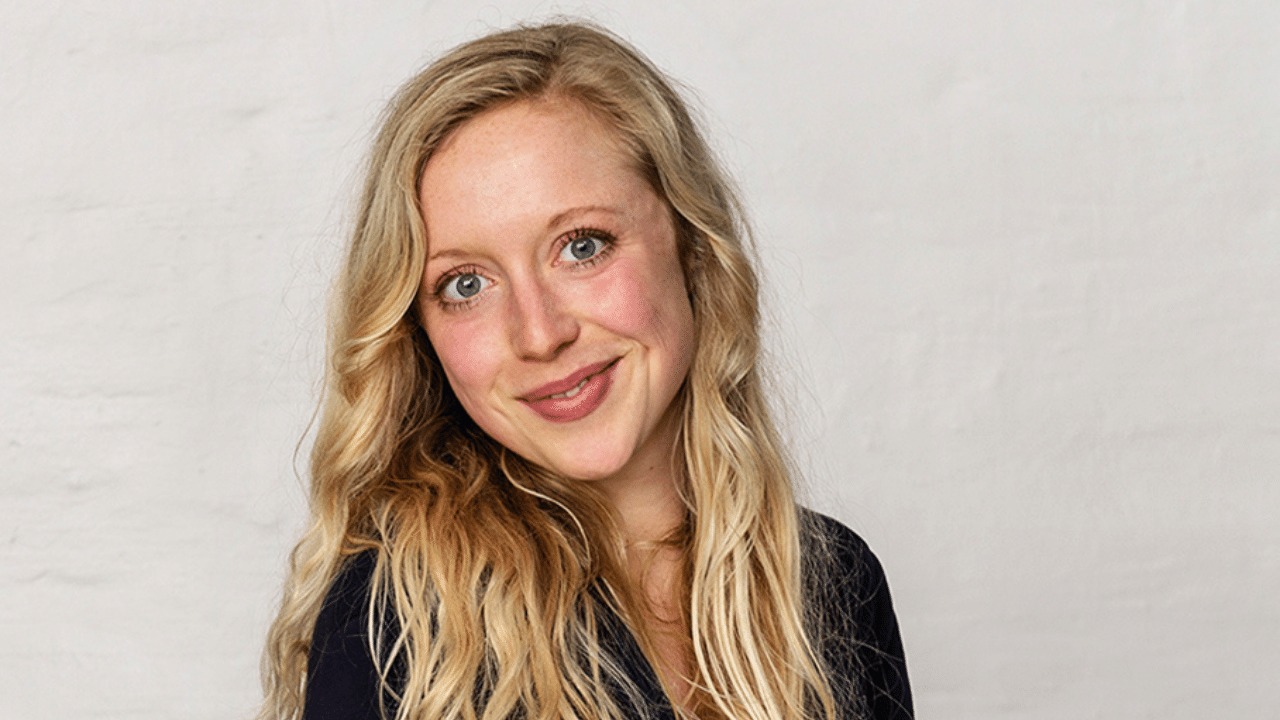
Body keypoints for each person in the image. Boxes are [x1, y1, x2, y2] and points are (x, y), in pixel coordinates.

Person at [259, 20, 912, 720]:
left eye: (582, 246)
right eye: (466, 284)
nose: (540, 335)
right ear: (419, 333)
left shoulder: (833, 583)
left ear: (692, 247)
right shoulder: (396, 620)